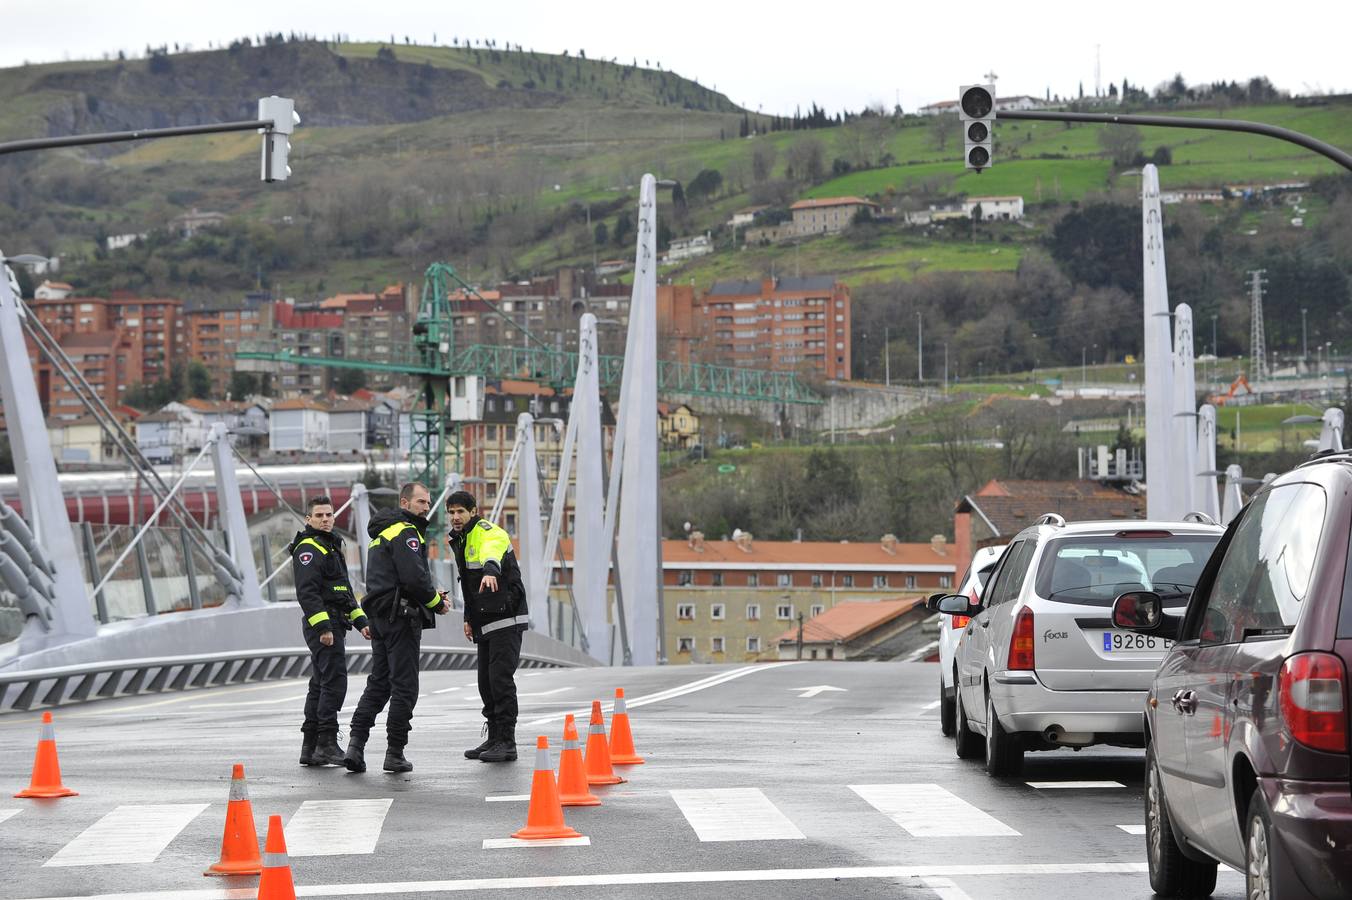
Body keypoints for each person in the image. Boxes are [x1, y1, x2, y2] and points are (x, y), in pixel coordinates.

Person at [343, 482, 449, 774]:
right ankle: (395, 752)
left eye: (428, 503)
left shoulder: (381, 534)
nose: (426, 508)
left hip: (379, 615)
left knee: (380, 682)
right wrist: (435, 602)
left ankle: (356, 744)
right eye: (421, 502)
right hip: (400, 617)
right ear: (405, 503)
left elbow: (391, 576)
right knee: (404, 686)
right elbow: (413, 578)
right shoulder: (406, 532)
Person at [446, 490, 529, 763]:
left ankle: (507, 741)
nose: (456, 517)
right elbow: (469, 587)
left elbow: (492, 550)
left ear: (473, 511)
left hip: (506, 617)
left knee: (500, 681)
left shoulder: (486, 531)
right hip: (484, 618)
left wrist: (491, 570)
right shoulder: (461, 539)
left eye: (461, 511)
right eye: (452, 512)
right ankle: (494, 737)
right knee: (485, 683)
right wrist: (468, 618)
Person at [289, 496, 369, 767]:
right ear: (308, 519)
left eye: (329, 514)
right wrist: (323, 627)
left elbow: (343, 592)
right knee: (334, 681)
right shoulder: (309, 548)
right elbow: (308, 593)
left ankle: (310, 746)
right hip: (324, 625)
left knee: (320, 683)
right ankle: (326, 743)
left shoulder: (331, 546)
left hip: (335, 622)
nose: (325, 519)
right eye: (319, 515)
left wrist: (362, 622)